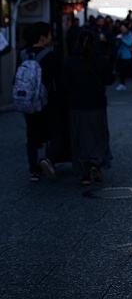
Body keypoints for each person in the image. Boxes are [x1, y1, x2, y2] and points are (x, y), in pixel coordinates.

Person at [60, 30, 114, 185]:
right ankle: (96, 162)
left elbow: (63, 84)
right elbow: (109, 79)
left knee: (79, 138)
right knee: (98, 135)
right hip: (97, 103)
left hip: (76, 105)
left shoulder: (70, 61)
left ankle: (84, 173)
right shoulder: (101, 59)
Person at [17, 21, 62, 182]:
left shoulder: (22, 54)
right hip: (47, 100)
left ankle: (33, 170)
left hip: (28, 101)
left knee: (32, 135)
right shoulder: (50, 55)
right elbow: (58, 79)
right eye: (49, 35)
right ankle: (48, 159)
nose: (51, 38)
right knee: (57, 131)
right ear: (42, 37)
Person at [114, 23, 132, 90]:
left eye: (123, 28)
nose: (122, 30)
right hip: (120, 54)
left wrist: (122, 40)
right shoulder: (120, 35)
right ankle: (122, 84)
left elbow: (129, 44)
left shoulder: (130, 35)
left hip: (127, 55)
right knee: (121, 70)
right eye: (121, 28)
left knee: (129, 71)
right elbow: (116, 45)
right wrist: (117, 40)